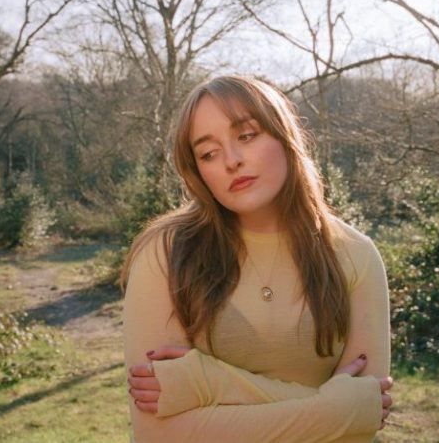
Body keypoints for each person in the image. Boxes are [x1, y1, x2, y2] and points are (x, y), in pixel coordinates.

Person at [121, 75, 393, 442]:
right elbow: (160, 436)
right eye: (208, 153)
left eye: (246, 136)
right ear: (198, 172)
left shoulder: (356, 254)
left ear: (284, 134)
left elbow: (358, 433)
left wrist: (211, 382)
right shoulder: (166, 253)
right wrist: (336, 411)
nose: (231, 161)